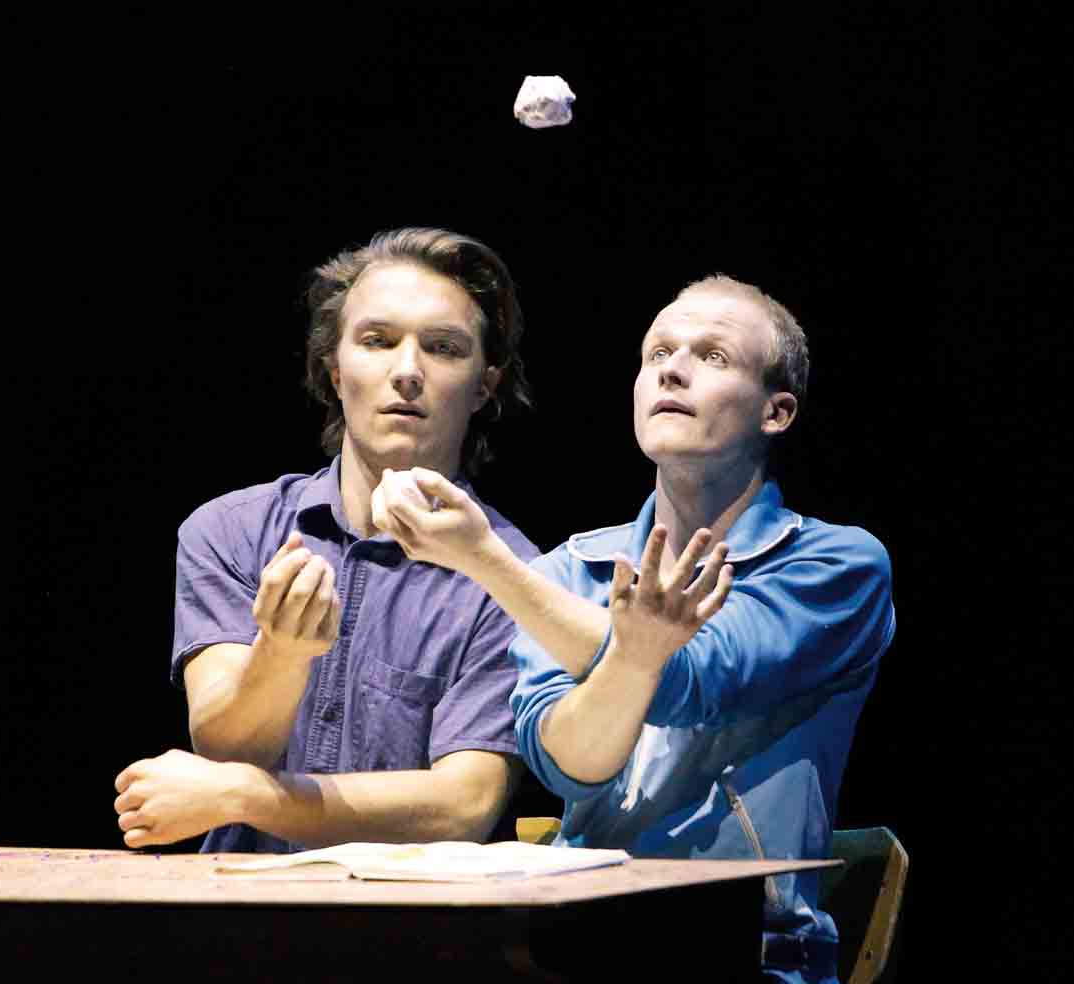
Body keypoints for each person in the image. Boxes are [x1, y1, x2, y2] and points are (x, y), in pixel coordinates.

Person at [369, 274, 895, 984]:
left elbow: (691, 678)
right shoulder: (570, 570)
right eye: (658, 354)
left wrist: (485, 560)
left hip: (748, 956)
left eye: (712, 356)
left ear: (775, 411)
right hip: (573, 943)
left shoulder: (836, 564)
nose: (672, 370)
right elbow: (568, 764)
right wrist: (630, 654)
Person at [113, 227, 540, 853]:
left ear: (485, 385)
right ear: (335, 371)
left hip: (412, 912)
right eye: (377, 341)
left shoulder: (516, 579)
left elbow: (463, 806)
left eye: (443, 348)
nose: (407, 371)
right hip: (238, 902)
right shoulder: (232, 531)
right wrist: (281, 654)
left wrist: (246, 795)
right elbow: (226, 747)